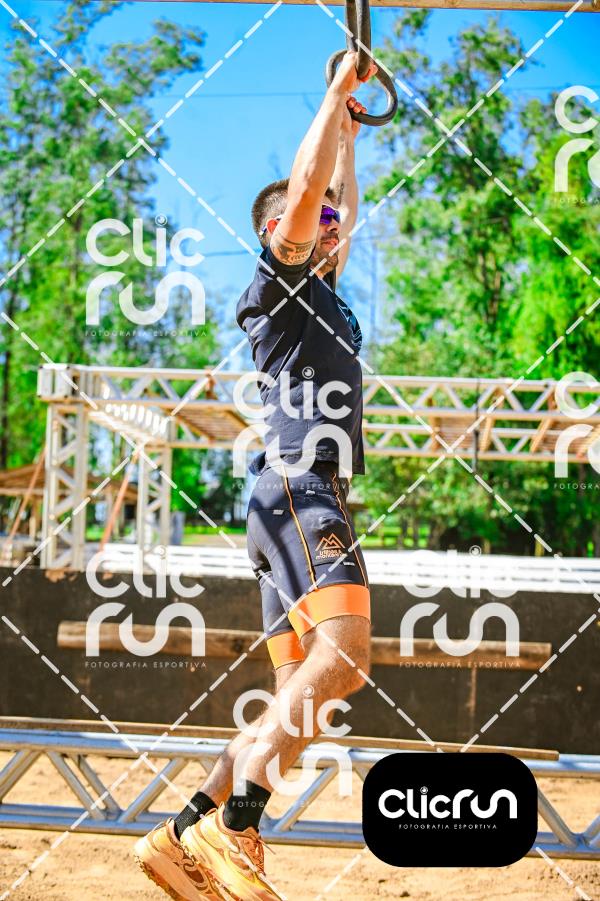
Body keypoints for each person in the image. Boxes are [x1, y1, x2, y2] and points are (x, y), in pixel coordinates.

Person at [134, 50, 376, 901]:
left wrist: (346, 124)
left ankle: (180, 833)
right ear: (282, 230)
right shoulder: (280, 279)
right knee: (346, 658)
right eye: (318, 218)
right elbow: (311, 189)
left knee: (297, 699)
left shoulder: (324, 296)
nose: (334, 224)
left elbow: (337, 194)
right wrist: (331, 104)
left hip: (283, 501)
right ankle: (234, 827)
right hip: (302, 491)